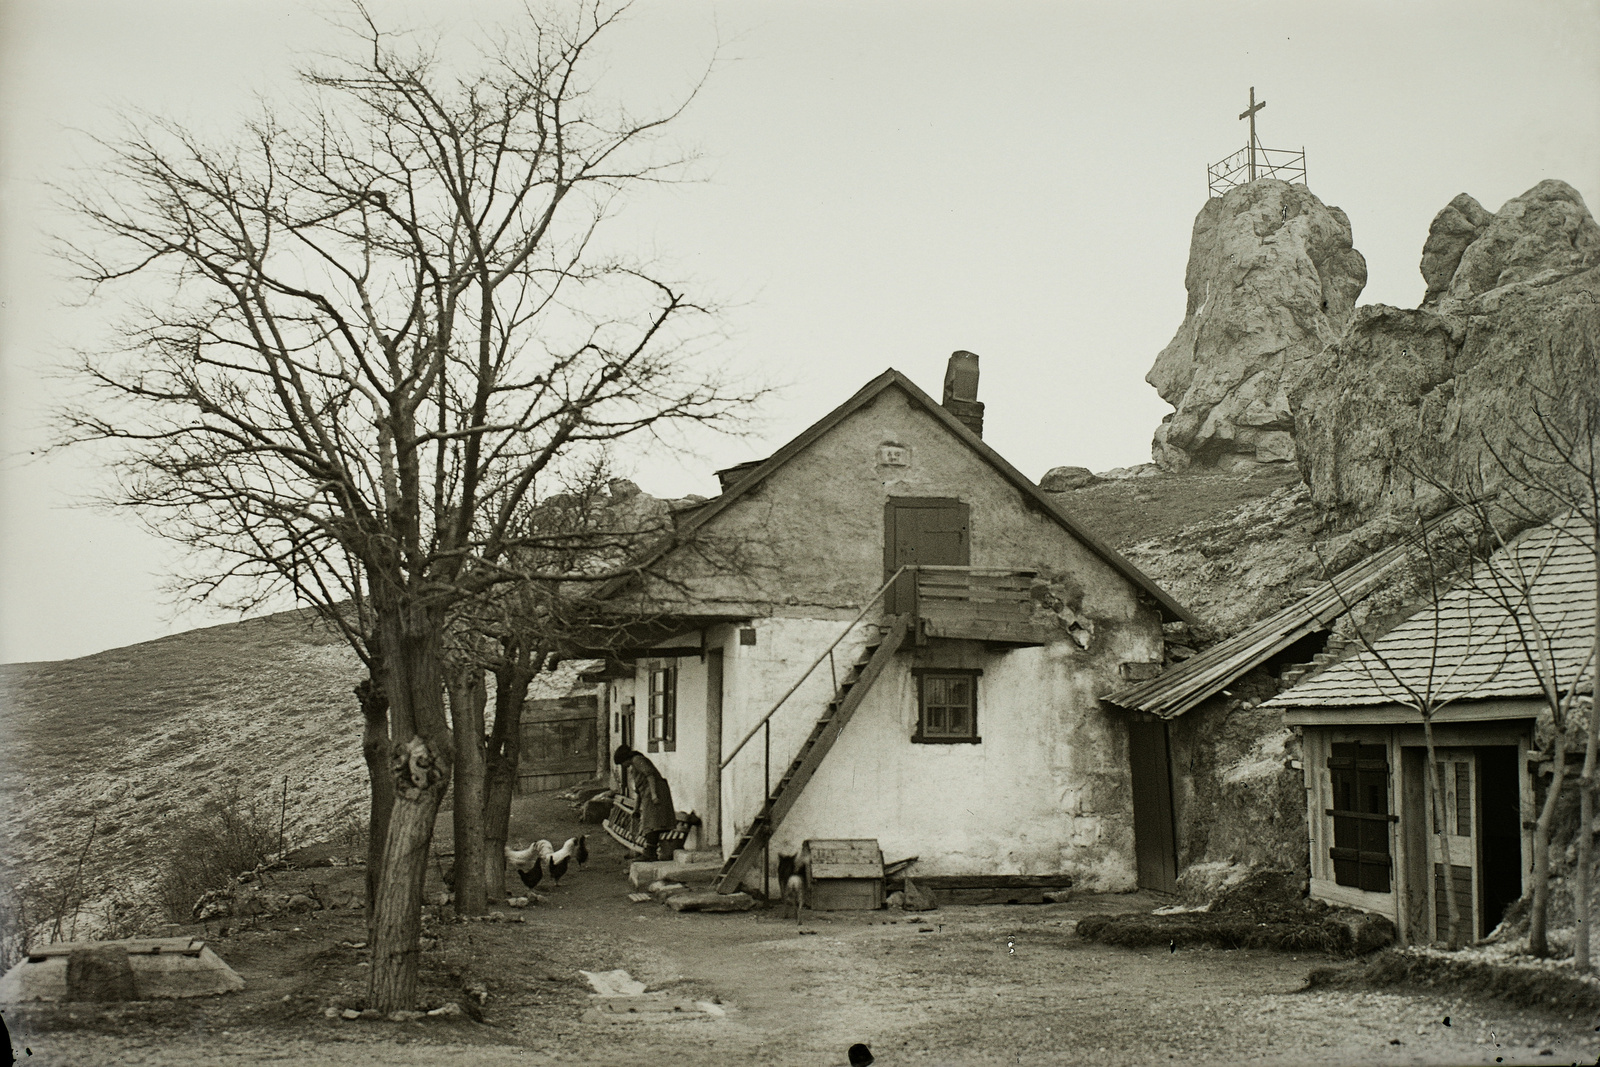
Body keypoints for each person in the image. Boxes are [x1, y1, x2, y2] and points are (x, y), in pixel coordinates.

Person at [613, 745, 676, 860]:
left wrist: (654, 795)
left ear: (625, 759)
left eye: (622, 763)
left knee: (653, 822)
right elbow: (639, 791)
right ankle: (650, 851)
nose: (623, 766)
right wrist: (636, 810)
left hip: (656, 791)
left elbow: (650, 775)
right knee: (650, 822)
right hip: (647, 794)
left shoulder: (638, 760)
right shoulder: (633, 767)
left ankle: (650, 853)